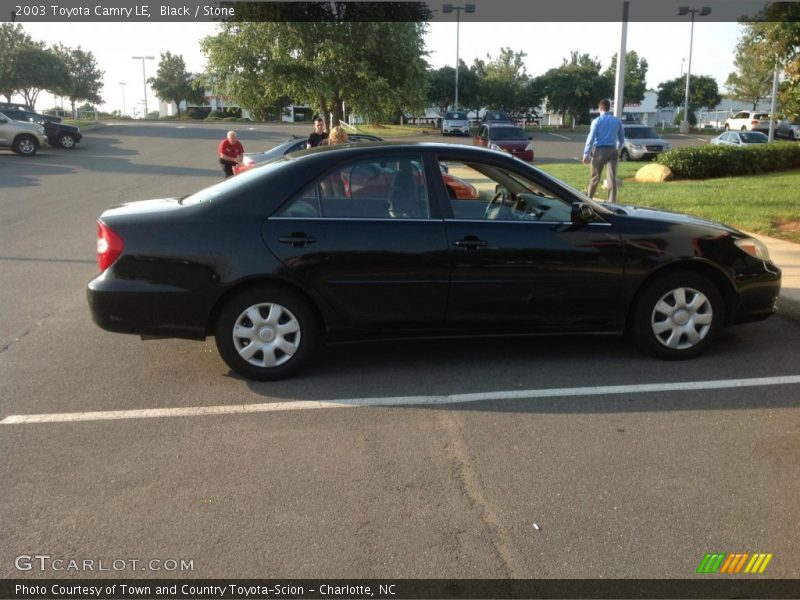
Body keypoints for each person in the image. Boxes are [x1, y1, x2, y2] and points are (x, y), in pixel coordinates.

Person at [582, 99, 625, 202]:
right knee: (611, 179)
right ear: (609, 108)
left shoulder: (597, 121)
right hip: (612, 150)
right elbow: (622, 139)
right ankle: (612, 202)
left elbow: (591, 138)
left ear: (600, 108)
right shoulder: (617, 121)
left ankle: (588, 200)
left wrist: (586, 154)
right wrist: (617, 148)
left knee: (595, 177)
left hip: (599, 151)